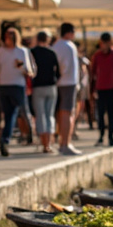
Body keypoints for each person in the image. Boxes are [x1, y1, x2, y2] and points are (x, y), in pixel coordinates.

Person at [0, 27, 33, 154]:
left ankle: (28, 134)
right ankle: (5, 140)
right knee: (9, 115)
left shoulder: (22, 51)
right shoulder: (1, 51)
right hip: (4, 86)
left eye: (11, 36)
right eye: (7, 35)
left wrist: (20, 66)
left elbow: (28, 71)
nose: (8, 38)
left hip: (18, 85)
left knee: (21, 112)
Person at [90, 32, 113, 146]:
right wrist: (92, 89)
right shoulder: (97, 55)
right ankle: (101, 136)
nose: (105, 45)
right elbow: (92, 72)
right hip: (100, 88)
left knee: (111, 114)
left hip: (112, 88)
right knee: (100, 113)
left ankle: (111, 137)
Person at [29, 31, 60, 154]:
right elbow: (58, 72)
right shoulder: (51, 52)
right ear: (47, 39)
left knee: (40, 115)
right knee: (49, 115)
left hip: (37, 87)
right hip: (51, 86)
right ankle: (49, 143)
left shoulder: (32, 52)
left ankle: (45, 144)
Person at [52, 22, 80, 156]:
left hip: (57, 83)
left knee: (60, 114)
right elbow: (66, 66)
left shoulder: (55, 45)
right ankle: (66, 143)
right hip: (68, 83)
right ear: (69, 32)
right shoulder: (69, 46)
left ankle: (61, 142)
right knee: (68, 113)